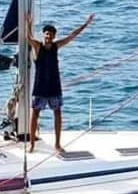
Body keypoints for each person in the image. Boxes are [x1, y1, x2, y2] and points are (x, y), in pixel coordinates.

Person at [25, 10, 95, 152]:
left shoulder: (56, 46)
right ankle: (31, 143)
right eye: (46, 34)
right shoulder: (38, 47)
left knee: (57, 114)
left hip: (54, 87)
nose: (48, 37)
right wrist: (29, 23)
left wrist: (85, 24)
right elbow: (28, 38)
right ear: (43, 35)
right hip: (40, 87)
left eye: (50, 35)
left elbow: (72, 36)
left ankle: (57, 144)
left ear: (54, 36)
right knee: (35, 115)